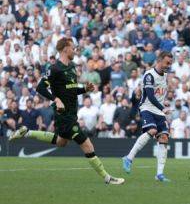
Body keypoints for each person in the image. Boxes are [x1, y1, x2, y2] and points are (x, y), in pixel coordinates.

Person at [8, 38, 124, 185]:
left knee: (61, 142)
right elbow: (40, 87)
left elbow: (71, 90)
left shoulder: (72, 67)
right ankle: (107, 178)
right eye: (72, 47)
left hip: (71, 112)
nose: (74, 50)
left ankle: (27, 132)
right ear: (65, 49)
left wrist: (84, 89)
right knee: (87, 145)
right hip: (64, 115)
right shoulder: (54, 68)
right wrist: (55, 99)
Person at [122, 52, 173, 182]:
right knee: (152, 131)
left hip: (159, 111)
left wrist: (164, 102)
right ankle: (128, 158)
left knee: (164, 138)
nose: (169, 65)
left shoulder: (165, 75)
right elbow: (150, 96)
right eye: (167, 62)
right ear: (159, 60)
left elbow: (159, 95)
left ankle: (159, 174)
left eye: (170, 63)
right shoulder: (149, 75)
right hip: (147, 108)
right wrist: (163, 108)